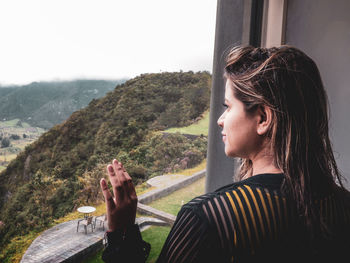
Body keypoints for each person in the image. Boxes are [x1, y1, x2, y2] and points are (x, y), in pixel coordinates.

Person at [99, 46, 350, 263]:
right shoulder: (342, 205)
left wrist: (122, 235)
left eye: (228, 107)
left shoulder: (209, 218)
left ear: (263, 118)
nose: (220, 120)